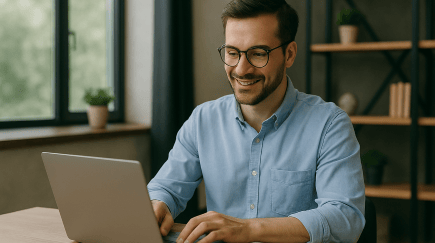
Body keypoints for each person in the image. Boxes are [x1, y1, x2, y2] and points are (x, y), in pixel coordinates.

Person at [148, 0, 365, 242]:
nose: (241, 69)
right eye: (232, 53)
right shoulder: (203, 120)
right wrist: (159, 204)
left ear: (289, 54)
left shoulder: (330, 125)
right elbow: (165, 187)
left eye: (258, 54)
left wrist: (248, 229)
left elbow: (346, 219)